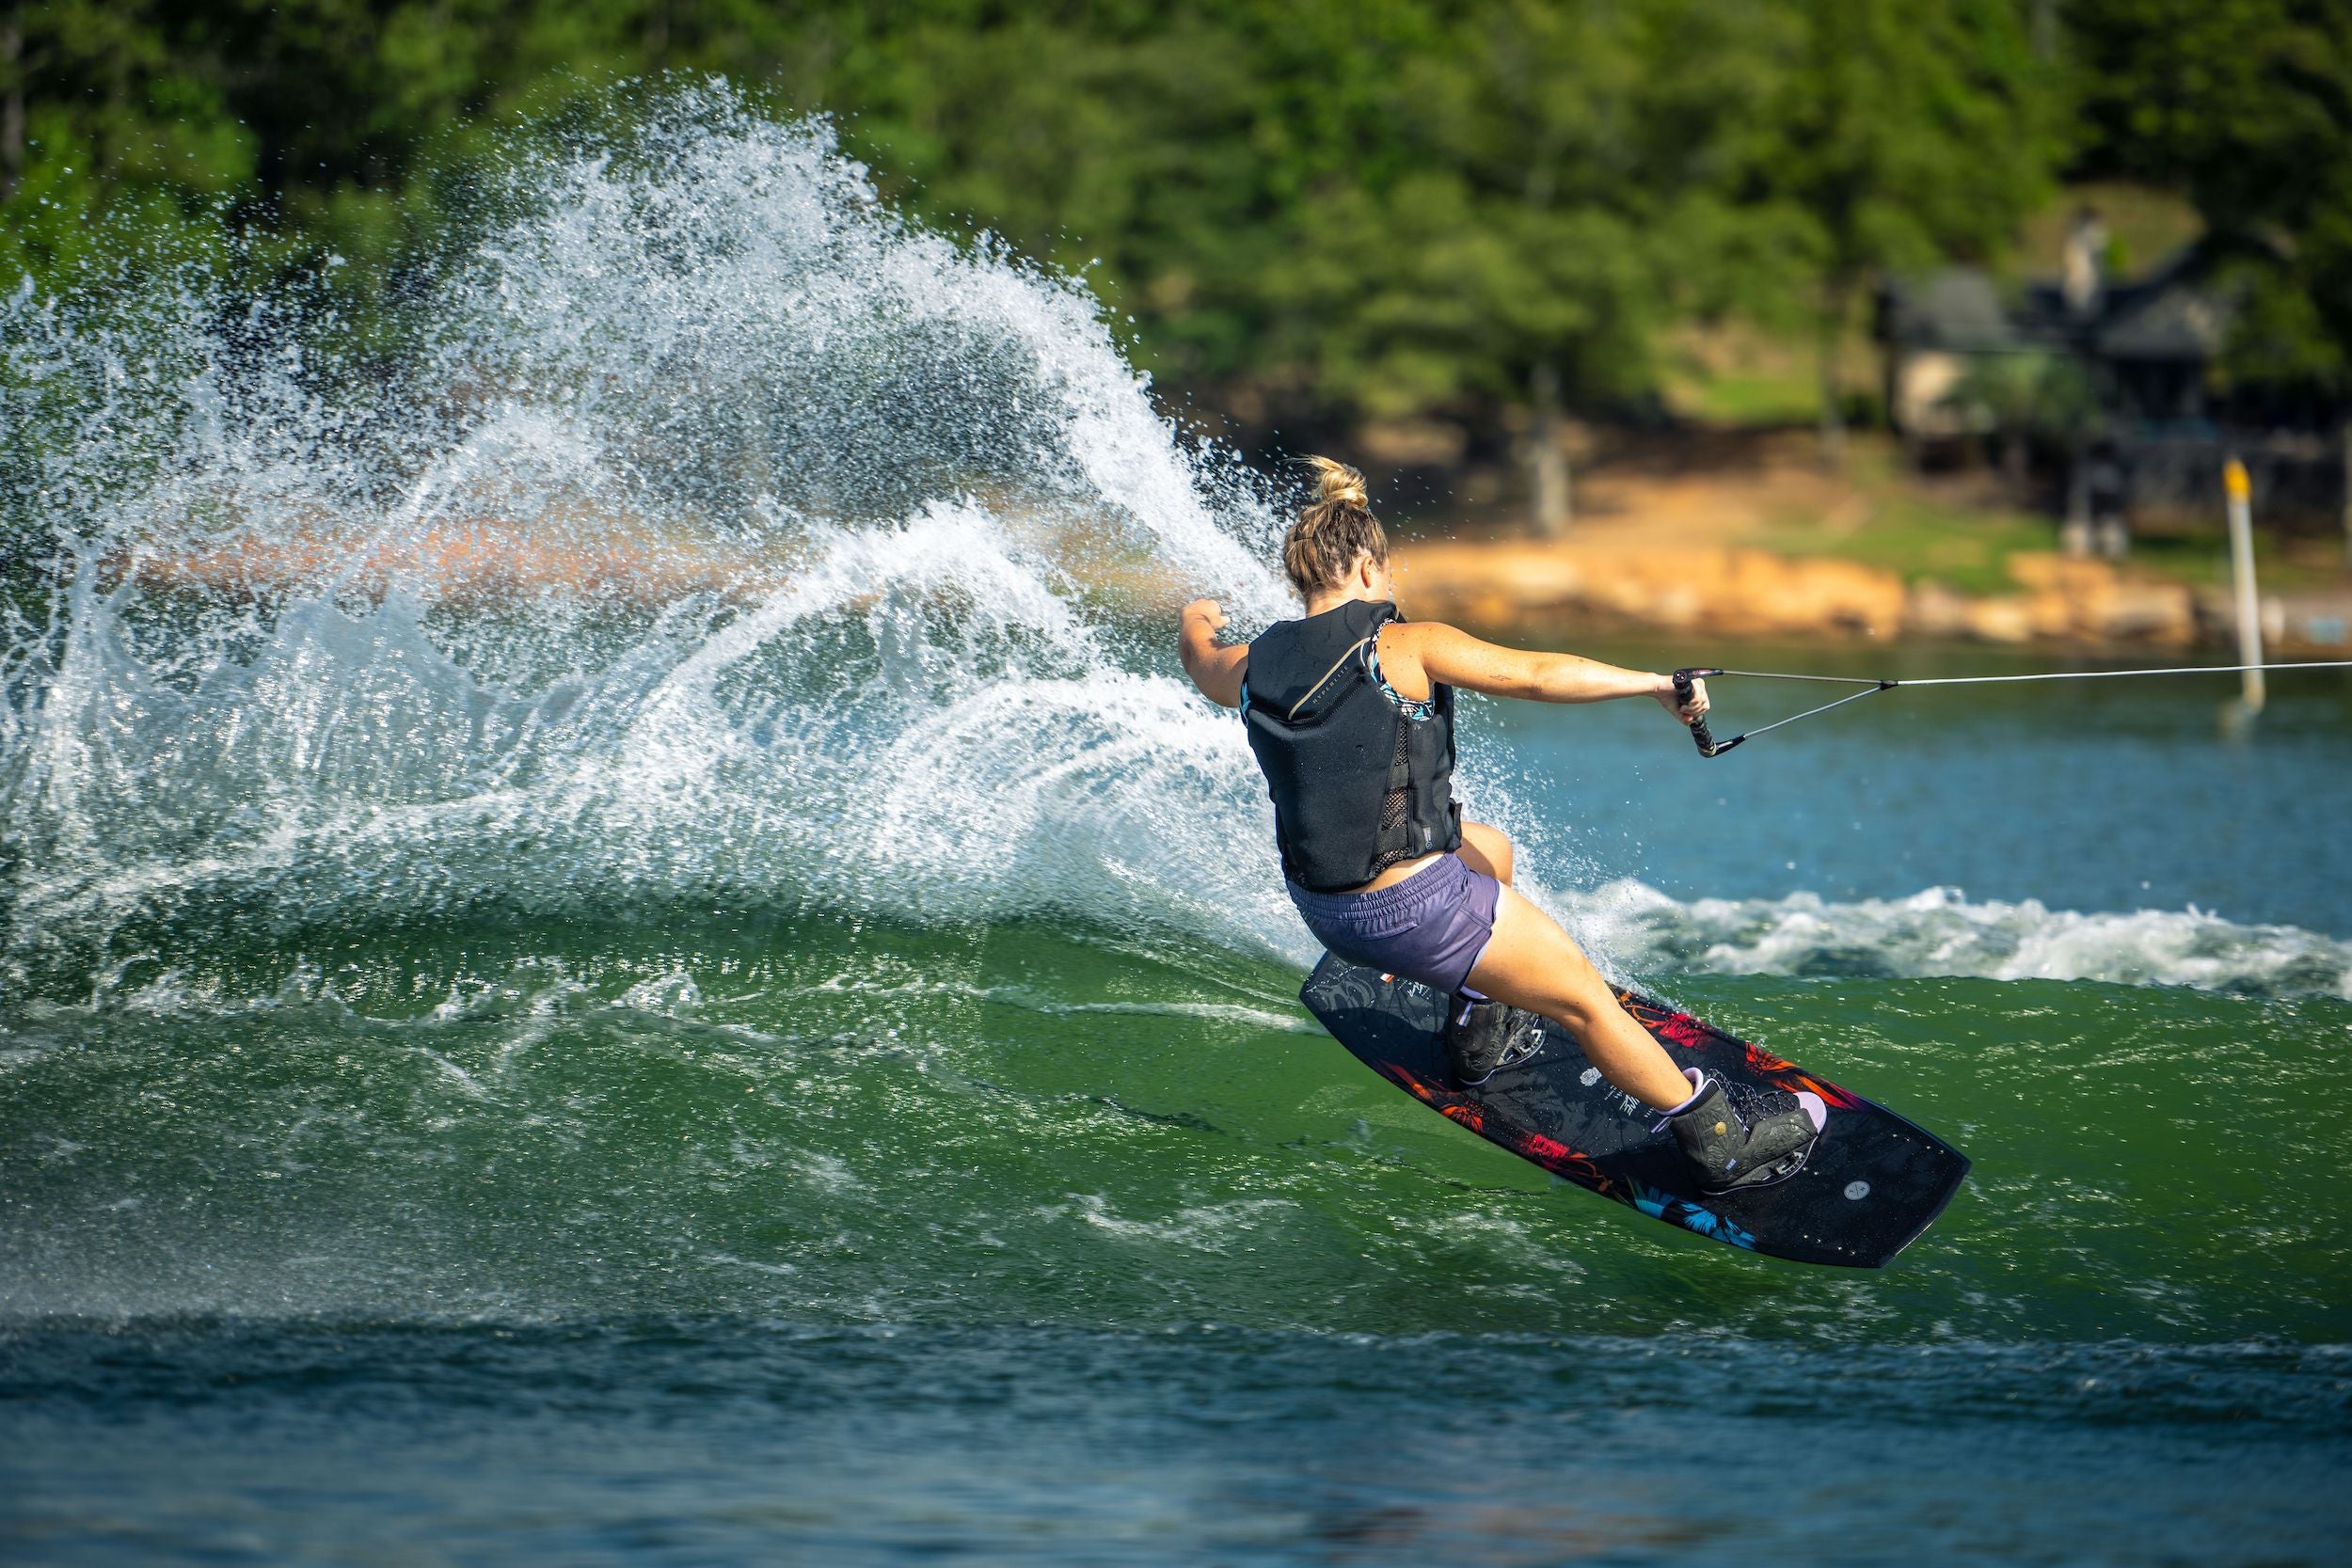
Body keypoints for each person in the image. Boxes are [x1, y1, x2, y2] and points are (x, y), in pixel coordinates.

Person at [1179, 457, 1821, 1192]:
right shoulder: (1406, 644)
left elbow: (1201, 658)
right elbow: (1538, 673)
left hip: (1326, 913)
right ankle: (1719, 1140)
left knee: (1492, 848)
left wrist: (1198, 613)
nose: (1392, 590)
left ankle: (1477, 1034)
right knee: (1586, 1001)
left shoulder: (1255, 661)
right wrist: (1653, 684)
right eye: (1387, 575)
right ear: (1366, 566)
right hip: (1417, 913)